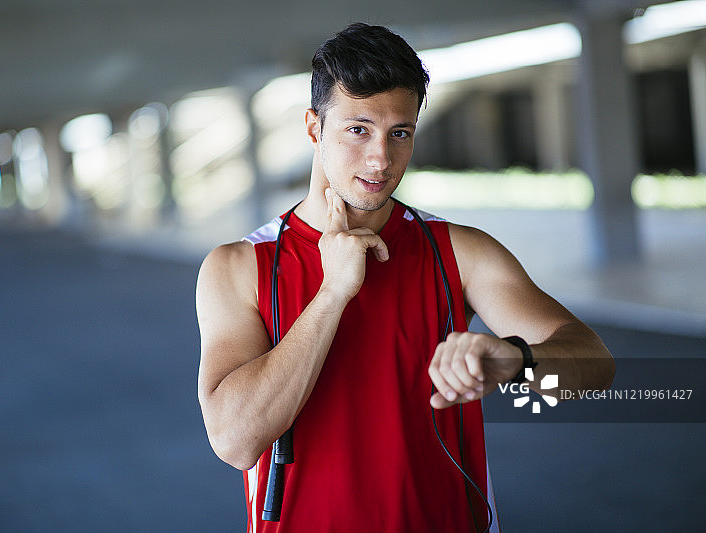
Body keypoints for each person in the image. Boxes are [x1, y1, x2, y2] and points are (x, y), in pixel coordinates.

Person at [196, 22, 614, 532]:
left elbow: (596, 368)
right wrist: (333, 294)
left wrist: (516, 361)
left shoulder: (458, 251)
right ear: (313, 127)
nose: (381, 158)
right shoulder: (239, 266)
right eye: (358, 129)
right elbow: (234, 442)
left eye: (400, 133)